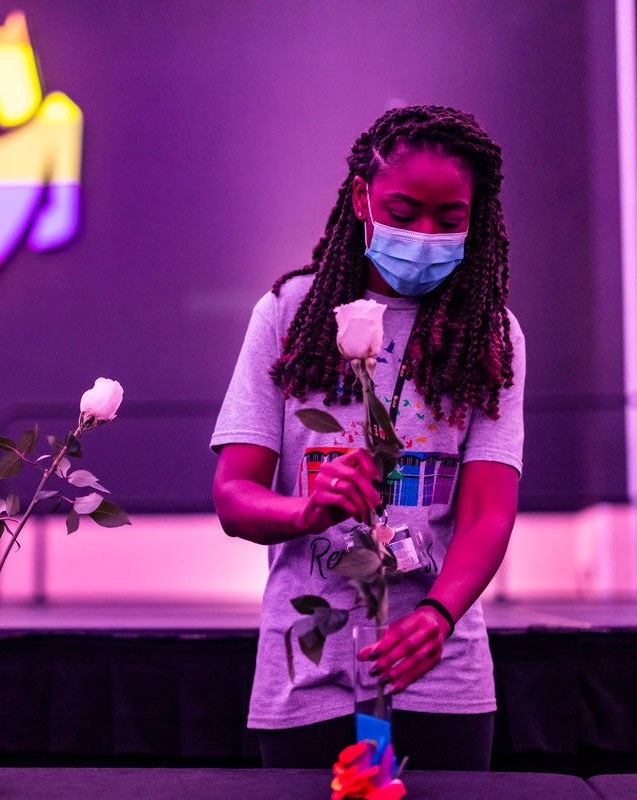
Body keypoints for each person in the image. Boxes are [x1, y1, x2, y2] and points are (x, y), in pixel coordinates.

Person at [210, 105, 524, 770]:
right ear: (362, 198)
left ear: (478, 216)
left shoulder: (494, 337)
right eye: (404, 213)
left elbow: (488, 513)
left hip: (440, 674)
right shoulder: (288, 314)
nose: (425, 234)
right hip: (307, 674)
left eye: (449, 219)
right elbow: (234, 497)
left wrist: (437, 616)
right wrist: (306, 508)